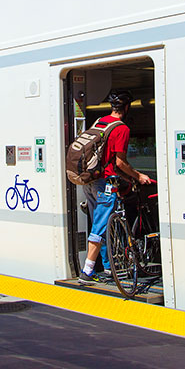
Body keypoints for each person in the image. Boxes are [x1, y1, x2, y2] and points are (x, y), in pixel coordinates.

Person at [79, 89, 152, 283]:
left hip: (90, 182)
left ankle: (109, 268)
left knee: (100, 224)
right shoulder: (122, 129)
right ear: (126, 107)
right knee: (100, 227)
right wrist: (138, 175)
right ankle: (86, 272)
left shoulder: (100, 122)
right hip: (106, 184)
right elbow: (120, 163)